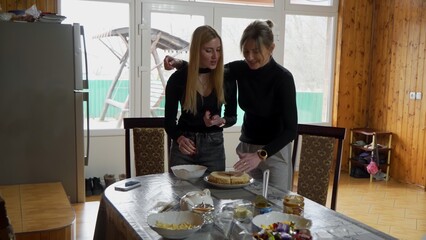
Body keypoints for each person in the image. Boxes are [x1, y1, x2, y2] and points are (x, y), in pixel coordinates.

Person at [164, 20, 297, 191]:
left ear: (271, 48)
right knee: (249, 202)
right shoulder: (240, 69)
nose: (250, 57)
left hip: (274, 150)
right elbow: (206, 68)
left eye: (256, 51)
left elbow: (291, 130)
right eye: (246, 51)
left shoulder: (283, 78)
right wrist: (180, 64)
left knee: (276, 201)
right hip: (246, 148)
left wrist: (260, 154)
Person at [164, 25, 237, 173]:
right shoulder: (178, 79)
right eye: (209, 50)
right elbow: (169, 122)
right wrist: (179, 139)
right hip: (184, 147)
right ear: (196, 51)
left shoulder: (227, 78)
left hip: (214, 147)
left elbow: (232, 117)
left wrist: (221, 121)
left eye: (218, 50)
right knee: (180, 195)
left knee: (215, 194)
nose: (215, 56)